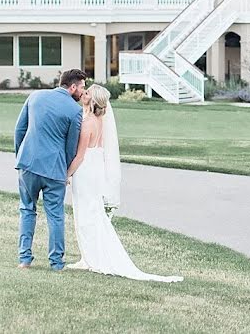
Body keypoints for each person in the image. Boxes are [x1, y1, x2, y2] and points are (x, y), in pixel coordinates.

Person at [66, 84, 183, 282]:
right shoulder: (99, 121)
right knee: (92, 213)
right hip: (96, 169)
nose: (82, 95)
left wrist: (67, 174)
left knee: (85, 214)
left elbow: (80, 156)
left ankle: (93, 257)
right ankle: (89, 256)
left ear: (93, 100)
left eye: (86, 93)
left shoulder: (87, 123)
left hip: (85, 170)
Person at [14, 68, 86, 271]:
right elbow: (71, 147)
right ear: (72, 87)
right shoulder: (75, 111)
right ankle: (56, 262)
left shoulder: (35, 96)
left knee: (27, 209)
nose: (83, 92)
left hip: (27, 164)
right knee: (55, 215)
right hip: (54, 169)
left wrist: (21, 155)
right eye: (81, 87)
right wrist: (66, 172)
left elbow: (19, 129)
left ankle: (24, 259)